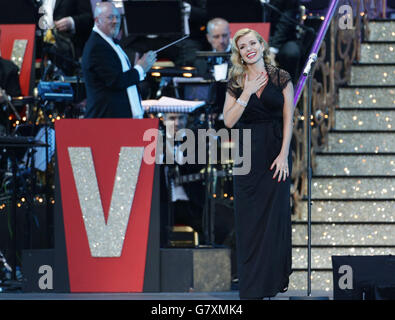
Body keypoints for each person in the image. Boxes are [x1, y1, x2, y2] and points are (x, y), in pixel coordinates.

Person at [223, 28, 294, 299]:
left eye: (253, 43)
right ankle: (251, 289)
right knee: (249, 222)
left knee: (274, 220)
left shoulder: (281, 77)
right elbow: (228, 121)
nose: (249, 48)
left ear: (262, 45)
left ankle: (271, 283)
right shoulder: (236, 80)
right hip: (246, 156)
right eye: (243, 46)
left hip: (275, 152)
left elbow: (289, 118)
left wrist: (284, 154)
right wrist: (246, 93)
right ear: (239, 53)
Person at [82, 2, 157, 118]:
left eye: (118, 17)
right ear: (97, 20)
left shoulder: (108, 42)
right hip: (107, 120)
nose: (115, 21)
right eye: (110, 17)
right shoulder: (97, 46)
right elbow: (115, 81)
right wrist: (140, 69)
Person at [267, 0, 302, 83]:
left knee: (291, 52)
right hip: (254, 36)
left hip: (282, 39)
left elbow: (285, 24)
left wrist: (272, 49)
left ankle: (288, 89)